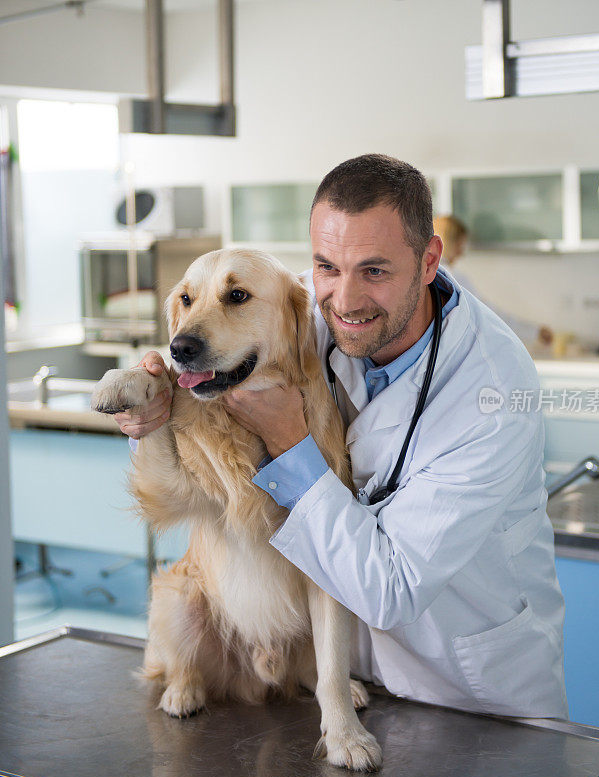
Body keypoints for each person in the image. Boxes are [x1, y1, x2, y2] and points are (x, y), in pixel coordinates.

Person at [115, 155, 568, 719]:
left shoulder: (489, 397)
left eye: (375, 271)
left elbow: (391, 591)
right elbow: (208, 387)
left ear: (429, 261)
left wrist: (290, 442)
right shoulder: (302, 306)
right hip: (336, 674)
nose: (346, 300)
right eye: (327, 266)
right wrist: (150, 419)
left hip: (467, 686)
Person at [433, 214, 553, 347]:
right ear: (449, 243)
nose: (462, 253)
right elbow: (489, 314)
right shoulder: (454, 278)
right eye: (460, 245)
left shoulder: (429, 274)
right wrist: (534, 332)